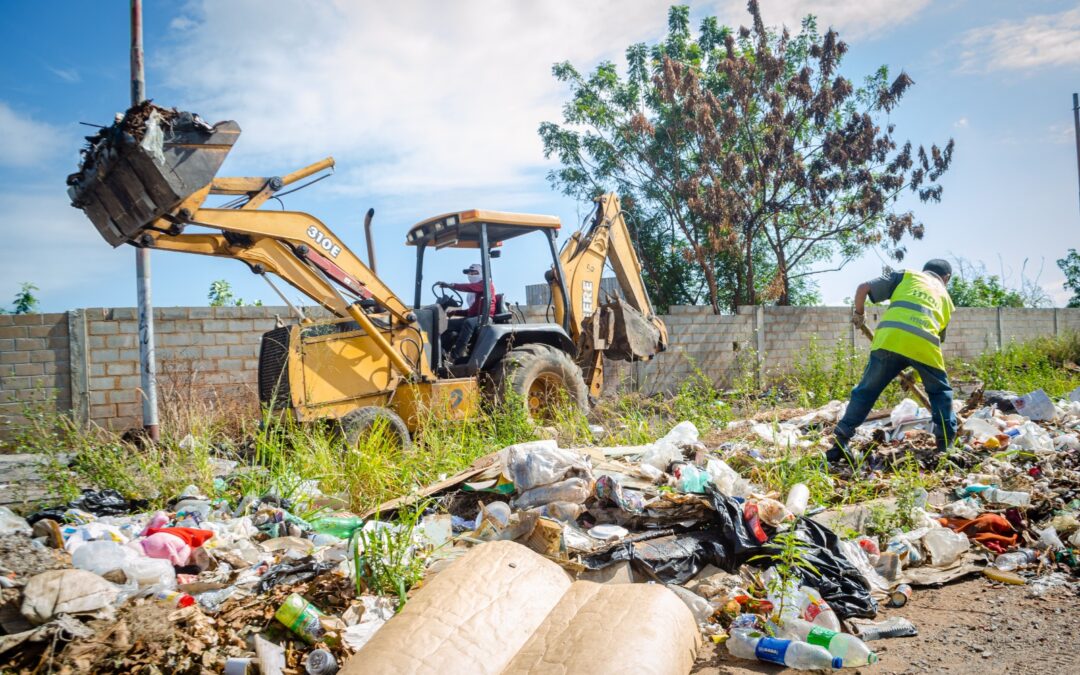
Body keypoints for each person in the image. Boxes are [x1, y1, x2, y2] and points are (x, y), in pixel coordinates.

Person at [827, 259, 957, 464]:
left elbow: (863, 288)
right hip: (924, 347)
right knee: (940, 393)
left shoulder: (908, 275)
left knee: (866, 391)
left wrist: (859, 314)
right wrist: (916, 371)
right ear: (946, 279)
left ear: (925, 271)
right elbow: (933, 341)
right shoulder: (947, 301)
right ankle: (945, 447)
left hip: (889, 340)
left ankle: (840, 442)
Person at [436, 263, 495, 363]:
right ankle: (441, 353)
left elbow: (469, 287)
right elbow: (471, 311)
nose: (471, 274)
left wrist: (452, 285)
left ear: (482, 273)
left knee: (468, 323)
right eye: (470, 272)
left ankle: (455, 356)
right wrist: (455, 312)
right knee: (446, 324)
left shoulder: (486, 284)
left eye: (474, 272)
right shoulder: (475, 292)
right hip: (476, 317)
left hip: (485, 317)